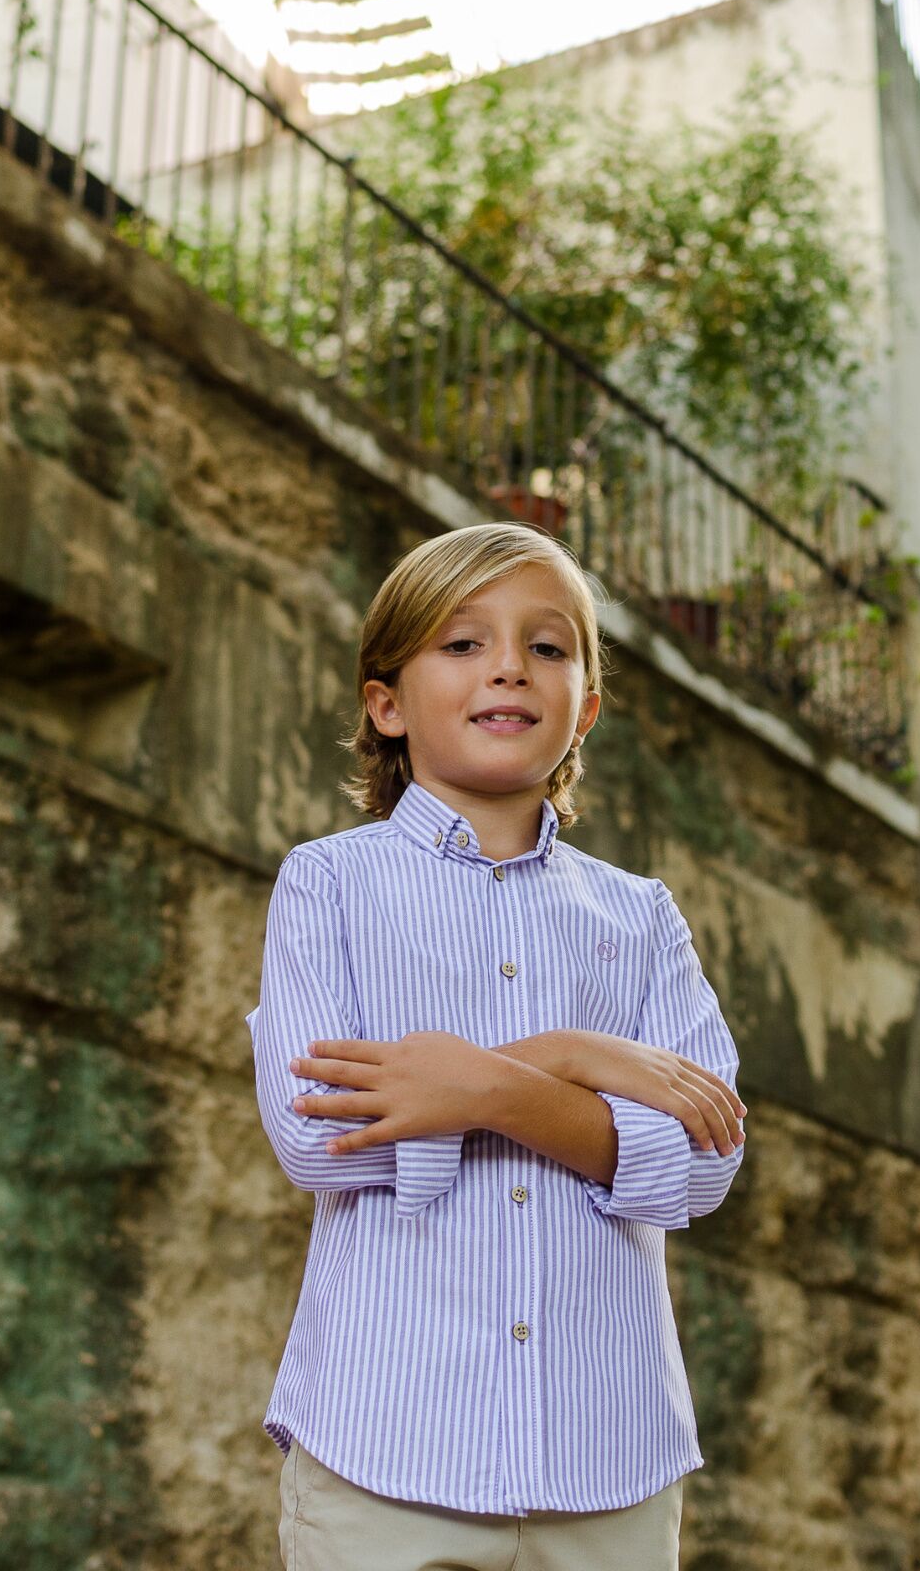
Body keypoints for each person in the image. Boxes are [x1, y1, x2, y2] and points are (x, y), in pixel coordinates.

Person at [245, 520, 748, 1571]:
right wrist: (579, 1065)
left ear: (586, 710)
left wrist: (468, 1087)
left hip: (607, 1462)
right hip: (384, 1449)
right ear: (386, 702)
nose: (508, 665)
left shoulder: (642, 917)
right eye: (462, 643)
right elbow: (318, 1134)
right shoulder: (330, 884)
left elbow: (702, 1159)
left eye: (548, 646)